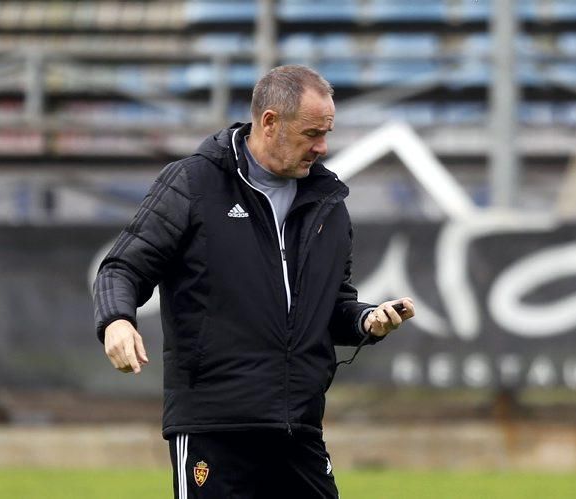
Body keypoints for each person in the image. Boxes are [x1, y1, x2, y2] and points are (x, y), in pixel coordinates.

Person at [92, 64, 415, 498]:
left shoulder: (328, 203)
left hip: (296, 426)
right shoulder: (193, 183)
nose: (322, 146)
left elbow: (331, 305)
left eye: (327, 133)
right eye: (312, 134)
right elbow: (122, 267)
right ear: (269, 123)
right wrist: (116, 320)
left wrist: (367, 320)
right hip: (213, 426)